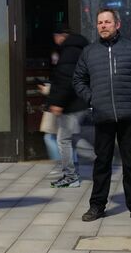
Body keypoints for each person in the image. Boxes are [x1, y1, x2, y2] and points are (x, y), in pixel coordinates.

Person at [73, 8, 131, 223]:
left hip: (128, 116)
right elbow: (78, 80)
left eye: (107, 22)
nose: (103, 25)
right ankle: (97, 206)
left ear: (117, 24)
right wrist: (92, 98)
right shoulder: (89, 52)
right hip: (103, 118)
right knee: (102, 163)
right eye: (100, 22)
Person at [46, 24, 90, 188]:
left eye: (56, 37)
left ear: (61, 36)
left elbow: (65, 79)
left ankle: (71, 176)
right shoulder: (79, 48)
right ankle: (95, 162)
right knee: (73, 138)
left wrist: (58, 103)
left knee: (63, 139)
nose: (55, 41)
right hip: (79, 102)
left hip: (71, 104)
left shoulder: (69, 51)